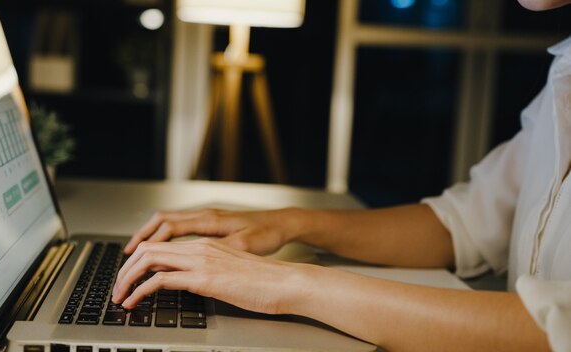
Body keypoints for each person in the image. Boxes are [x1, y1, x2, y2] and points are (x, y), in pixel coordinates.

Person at [113, 1, 571, 350]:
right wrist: (288, 223)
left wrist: (288, 284)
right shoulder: (564, 69)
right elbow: (461, 225)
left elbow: (549, 330)